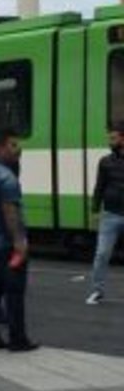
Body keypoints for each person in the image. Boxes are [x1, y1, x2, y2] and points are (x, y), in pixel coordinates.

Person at [0, 130, 38, 353]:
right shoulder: (6, 178)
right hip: (6, 244)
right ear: (0, 148)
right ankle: (17, 339)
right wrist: (20, 242)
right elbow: (10, 212)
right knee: (14, 293)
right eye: (13, 145)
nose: (18, 149)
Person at [86, 126, 124, 306]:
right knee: (102, 253)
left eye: (113, 138)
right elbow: (99, 186)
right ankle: (97, 291)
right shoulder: (105, 162)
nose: (110, 142)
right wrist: (94, 211)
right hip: (110, 214)